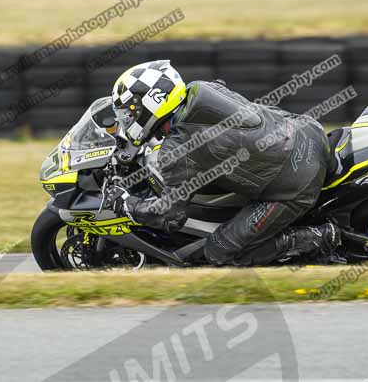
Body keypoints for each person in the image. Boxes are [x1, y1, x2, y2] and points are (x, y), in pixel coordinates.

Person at [106, 60, 340, 266]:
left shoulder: (177, 150)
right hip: (307, 131)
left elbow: (170, 217)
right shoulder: (201, 88)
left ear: (152, 104)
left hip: (296, 183)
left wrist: (128, 205)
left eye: (130, 114)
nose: (128, 121)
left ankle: (319, 236)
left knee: (219, 250)